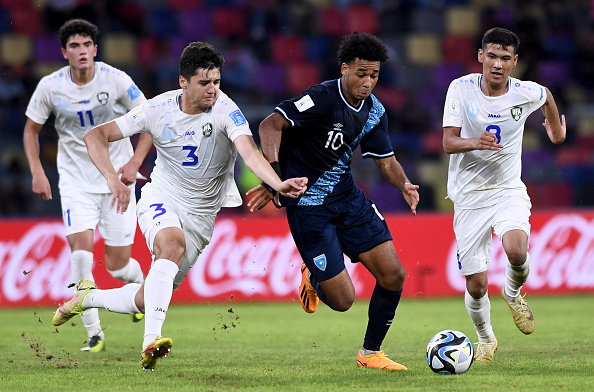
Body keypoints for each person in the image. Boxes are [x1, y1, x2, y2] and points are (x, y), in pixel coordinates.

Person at [51, 41, 308, 371]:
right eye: (204, 83)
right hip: (162, 198)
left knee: (146, 297)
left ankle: (87, 299)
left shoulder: (227, 110)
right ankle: (151, 342)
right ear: (183, 82)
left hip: (202, 218)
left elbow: (250, 154)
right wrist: (113, 180)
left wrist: (277, 182)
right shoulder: (156, 109)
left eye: (216, 81)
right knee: (171, 245)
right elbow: (94, 137)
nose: (212, 89)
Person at [248, 31, 419, 370]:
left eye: (374, 75)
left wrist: (405, 185)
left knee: (394, 275)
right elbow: (270, 125)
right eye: (361, 74)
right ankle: (312, 275)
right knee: (343, 301)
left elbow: (386, 161)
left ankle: (371, 354)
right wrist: (275, 177)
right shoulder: (322, 98)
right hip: (309, 209)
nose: (368, 82)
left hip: (348, 200)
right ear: (344, 69)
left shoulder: (374, 112)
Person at [24, 19, 152, 353]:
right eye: (75, 46)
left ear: (95, 49)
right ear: (64, 52)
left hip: (118, 184)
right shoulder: (50, 87)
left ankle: (138, 286)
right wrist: (37, 169)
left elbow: (151, 118)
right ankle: (95, 335)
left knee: (117, 265)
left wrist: (135, 162)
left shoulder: (116, 80)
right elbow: (30, 130)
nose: (82, 51)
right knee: (80, 255)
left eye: (87, 45)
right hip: (75, 182)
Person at [442, 27, 566, 362]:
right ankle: (486, 339)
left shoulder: (525, 92)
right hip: (468, 196)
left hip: (507, 188)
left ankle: (512, 293)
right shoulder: (460, 89)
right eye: (492, 56)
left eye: (505, 58)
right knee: (476, 286)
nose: (497, 64)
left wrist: (555, 130)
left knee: (516, 249)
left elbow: (547, 97)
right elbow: (448, 142)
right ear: (481, 56)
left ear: (514, 62)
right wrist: (475, 142)